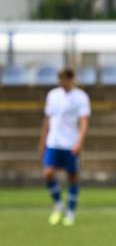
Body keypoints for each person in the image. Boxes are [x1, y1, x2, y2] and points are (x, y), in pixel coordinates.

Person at [40, 67, 91, 226]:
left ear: (72, 79)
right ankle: (58, 204)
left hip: (70, 143)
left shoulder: (81, 97)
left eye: (67, 78)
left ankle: (70, 212)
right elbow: (48, 119)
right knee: (47, 173)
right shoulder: (53, 95)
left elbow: (84, 122)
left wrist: (80, 142)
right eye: (61, 78)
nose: (64, 81)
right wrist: (43, 140)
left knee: (72, 177)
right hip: (53, 142)